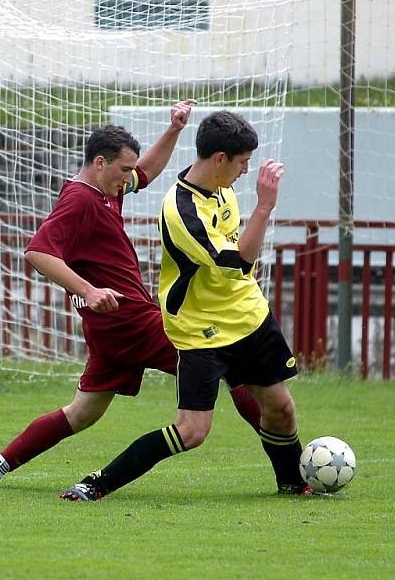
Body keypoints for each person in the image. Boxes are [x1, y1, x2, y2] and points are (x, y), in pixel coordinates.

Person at [0, 100, 264, 490]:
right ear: (100, 163)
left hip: (111, 326)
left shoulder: (106, 189)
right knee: (229, 359)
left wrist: (174, 129)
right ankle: (290, 458)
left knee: (81, 413)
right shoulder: (80, 199)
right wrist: (88, 289)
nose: (129, 179)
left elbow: (148, 172)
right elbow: (37, 251)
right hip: (129, 321)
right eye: (123, 170)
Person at [60, 110, 313, 501]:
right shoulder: (180, 211)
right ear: (219, 159)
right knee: (191, 431)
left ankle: (296, 485)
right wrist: (264, 208)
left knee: (281, 409)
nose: (246, 170)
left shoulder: (223, 190)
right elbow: (239, 263)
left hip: (249, 318)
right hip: (201, 331)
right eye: (242, 162)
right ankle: (98, 482)